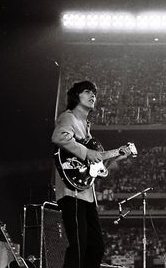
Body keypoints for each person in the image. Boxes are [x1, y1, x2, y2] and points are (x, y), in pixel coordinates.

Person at [52, 81, 128, 268]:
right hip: (71, 191)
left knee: (96, 247)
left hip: (87, 194)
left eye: (94, 92)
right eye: (87, 92)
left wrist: (116, 156)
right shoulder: (68, 117)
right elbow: (59, 137)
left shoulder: (86, 127)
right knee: (78, 245)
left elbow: (93, 164)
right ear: (76, 96)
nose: (93, 95)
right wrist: (87, 153)